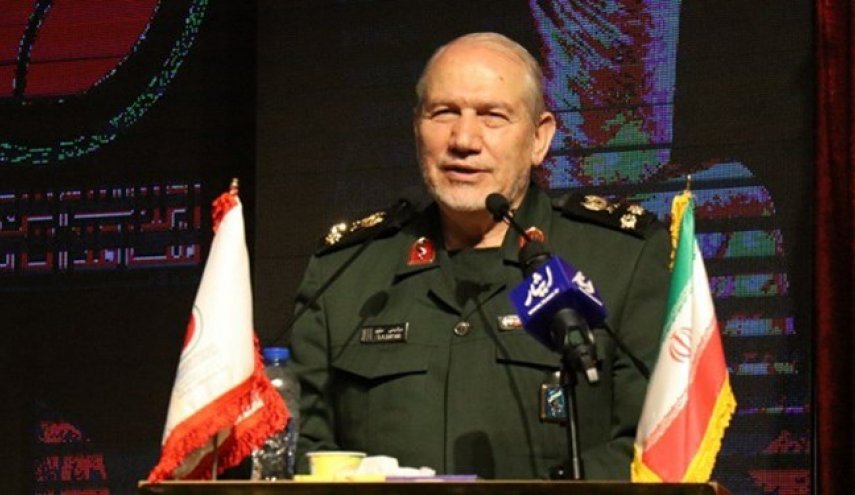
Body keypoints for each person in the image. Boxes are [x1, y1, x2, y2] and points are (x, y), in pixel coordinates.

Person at [290, 32, 670, 480]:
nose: (464, 140)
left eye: (492, 116)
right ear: (416, 128)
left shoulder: (622, 260)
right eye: (443, 113)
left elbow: (653, 445)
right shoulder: (345, 272)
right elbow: (301, 449)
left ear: (539, 138)